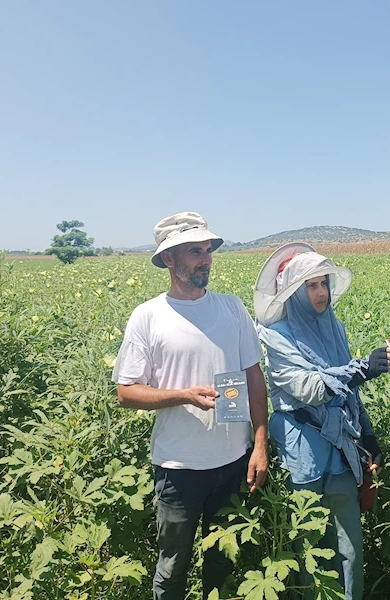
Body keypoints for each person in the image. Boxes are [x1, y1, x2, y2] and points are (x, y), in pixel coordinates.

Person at [112, 212, 269, 600]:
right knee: (172, 566)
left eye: (209, 250)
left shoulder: (232, 308)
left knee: (222, 563)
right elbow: (126, 392)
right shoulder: (148, 317)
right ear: (169, 259)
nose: (207, 259)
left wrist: (260, 444)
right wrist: (183, 395)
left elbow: (254, 380)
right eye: (195, 251)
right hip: (179, 468)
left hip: (234, 461)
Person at [253, 243, 390, 600]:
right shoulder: (277, 336)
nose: (320, 293)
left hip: (343, 445)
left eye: (323, 284)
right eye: (310, 286)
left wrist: (368, 435)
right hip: (304, 447)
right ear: (294, 293)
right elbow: (306, 387)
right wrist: (363, 368)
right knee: (311, 547)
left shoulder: (335, 327)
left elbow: (349, 392)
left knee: (350, 544)